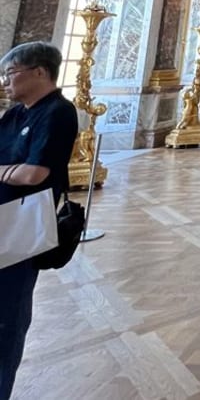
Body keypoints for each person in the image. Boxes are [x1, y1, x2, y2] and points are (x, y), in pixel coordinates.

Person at [0, 42, 78, 399]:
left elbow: (35, 174)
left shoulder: (58, 112)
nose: (6, 81)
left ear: (39, 72)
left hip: (22, 228)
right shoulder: (14, 114)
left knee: (8, 316)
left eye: (11, 73)